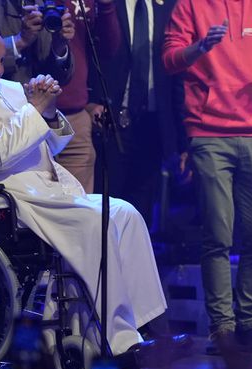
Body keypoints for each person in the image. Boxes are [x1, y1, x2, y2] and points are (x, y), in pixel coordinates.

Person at [0, 23, 168, 358]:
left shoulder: (4, 88)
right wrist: (34, 110)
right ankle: (121, 344)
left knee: (124, 213)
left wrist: (46, 110)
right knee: (94, 221)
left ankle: (148, 324)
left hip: (39, 191)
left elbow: (53, 144)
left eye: (1, 61)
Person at [163, 0, 252, 353]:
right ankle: (222, 330)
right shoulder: (190, 6)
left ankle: (250, 326)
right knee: (218, 235)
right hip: (209, 133)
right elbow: (169, 59)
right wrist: (201, 47)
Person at [96, 0, 186, 228]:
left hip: (153, 124)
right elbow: (94, 54)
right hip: (111, 121)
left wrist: (182, 142)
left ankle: (135, 263)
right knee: (108, 208)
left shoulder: (170, 6)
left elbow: (177, 76)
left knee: (141, 211)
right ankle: (105, 263)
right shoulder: (107, 5)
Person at [52, 0, 122, 193]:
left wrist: (106, 6)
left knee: (79, 207)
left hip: (75, 115)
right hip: (28, 110)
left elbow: (108, 50)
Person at [0, 0, 75, 86]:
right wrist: (20, 41)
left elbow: (59, 80)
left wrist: (59, 48)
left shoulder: (45, 4)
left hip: (40, 106)